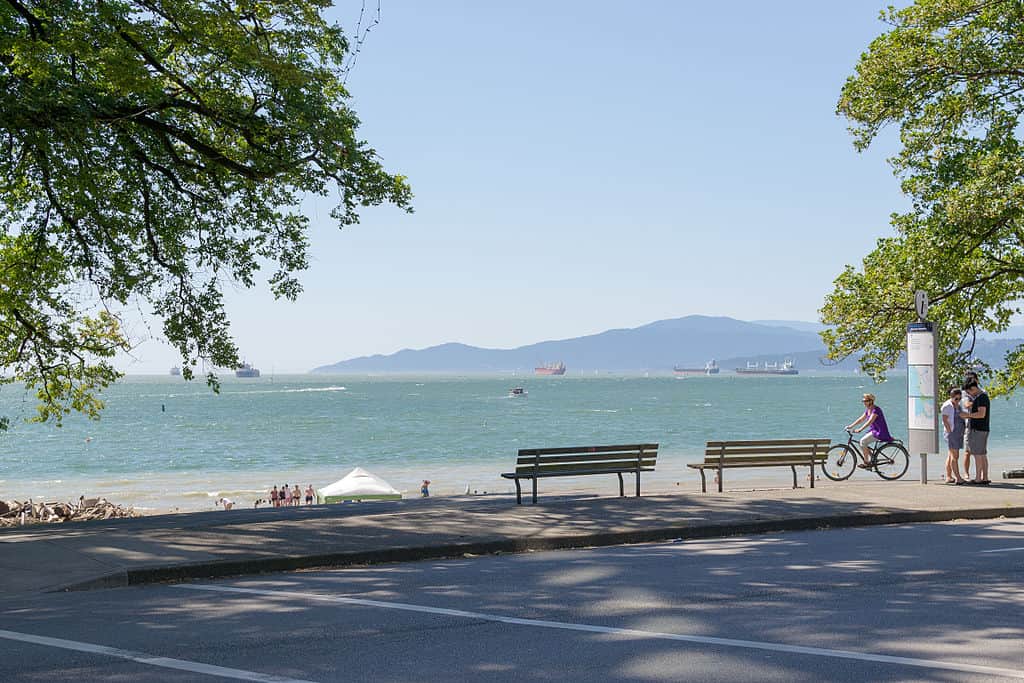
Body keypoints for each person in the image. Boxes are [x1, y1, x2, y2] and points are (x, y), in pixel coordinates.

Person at [845, 393, 894, 467]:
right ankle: (873, 457)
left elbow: (869, 421)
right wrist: (850, 426)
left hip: (880, 432)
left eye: (866, 401)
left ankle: (866, 462)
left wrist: (860, 429)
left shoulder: (876, 410)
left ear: (871, 401)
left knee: (862, 441)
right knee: (862, 443)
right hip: (874, 430)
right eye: (863, 401)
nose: (864, 402)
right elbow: (861, 419)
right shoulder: (868, 410)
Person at [961, 380, 991, 485]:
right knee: (981, 453)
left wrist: (968, 415)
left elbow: (981, 414)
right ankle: (984, 477)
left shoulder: (981, 397)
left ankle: (978, 478)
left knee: (978, 454)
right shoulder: (980, 397)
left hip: (979, 429)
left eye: (969, 392)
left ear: (973, 389)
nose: (969, 395)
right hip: (982, 429)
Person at [940, 388, 967, 484]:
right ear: (951, 397)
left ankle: (948, 476)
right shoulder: (947, 406)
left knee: (951, 455)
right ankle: (958, 477)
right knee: (955, 456)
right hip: (952, 433)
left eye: (960, 398)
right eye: (956, 399)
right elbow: (944, 419)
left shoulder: (958, 405)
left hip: (958, 432)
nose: (958, 400)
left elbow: (961, 415)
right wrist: (949, 431)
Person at [961, 371, 982, 480]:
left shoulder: (982, 393)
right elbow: (966, 404)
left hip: (979, 425)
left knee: (981, 452)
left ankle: (981, 474)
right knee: (967, 451)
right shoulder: (965, 392)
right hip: (968, 424)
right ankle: (966, 473)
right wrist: (977, 403)